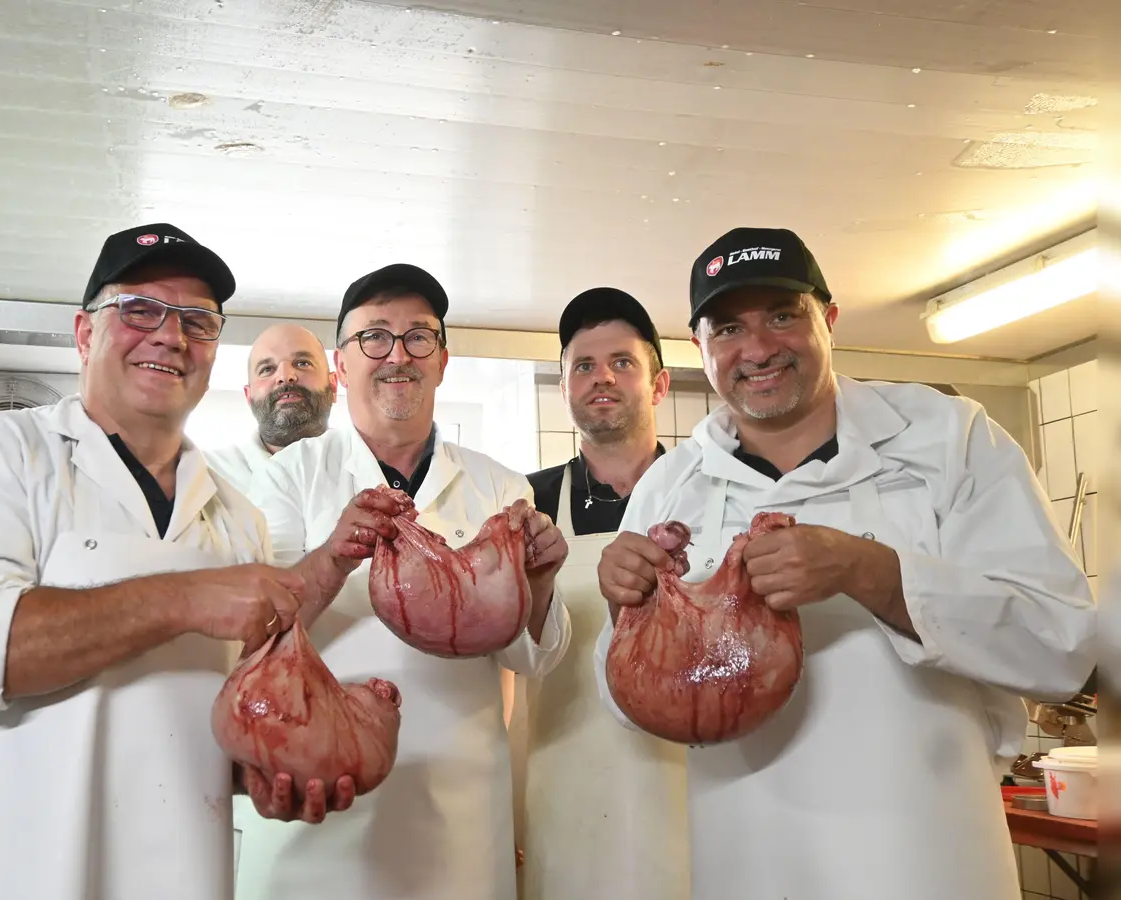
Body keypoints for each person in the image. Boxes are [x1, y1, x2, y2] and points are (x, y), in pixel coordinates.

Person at [593, 226, 1097, 900]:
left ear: (827, 320)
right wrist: (627, 616)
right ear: (700, 349)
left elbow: (1063, 651)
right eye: (728, 329)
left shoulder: (950, 437)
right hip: (747, 857)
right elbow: (629, 710)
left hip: (929, 856)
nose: (759, 348)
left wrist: (873, 573)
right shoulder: (671, 486)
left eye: (783, 315)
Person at [0, 224, 367, 900]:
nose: (170, 336)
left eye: (197, 322)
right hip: (8, 871)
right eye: (140, 310)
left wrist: (265, 773)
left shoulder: (236, 516)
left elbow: (218, 716)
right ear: (85, 333)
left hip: (176, 871)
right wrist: (185, 598)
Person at [237, 263, 572, 900]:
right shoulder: (290, 476)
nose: (398, 355)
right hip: (318, 812)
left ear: (443, 361)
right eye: (374, 337)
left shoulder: (499, 486)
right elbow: (256, 633)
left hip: (459, 819)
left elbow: (532, 658)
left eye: (419, 336)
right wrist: (333, 556)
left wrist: (540, 582)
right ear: (340, 364)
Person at [509, 288, 688, 900]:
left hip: (692, 788)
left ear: (659, 385)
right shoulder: (526, 505)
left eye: (622, 362)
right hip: (565, 790)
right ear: (563, 389)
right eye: (582, 366)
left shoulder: (708, 497)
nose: (601, 377)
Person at [204, 322, 337, 496]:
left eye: (303, 363)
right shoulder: (207, 476)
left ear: (334, 386)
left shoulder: (367, 466)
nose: (285, 376)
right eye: (267, 369)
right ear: (248, 397)